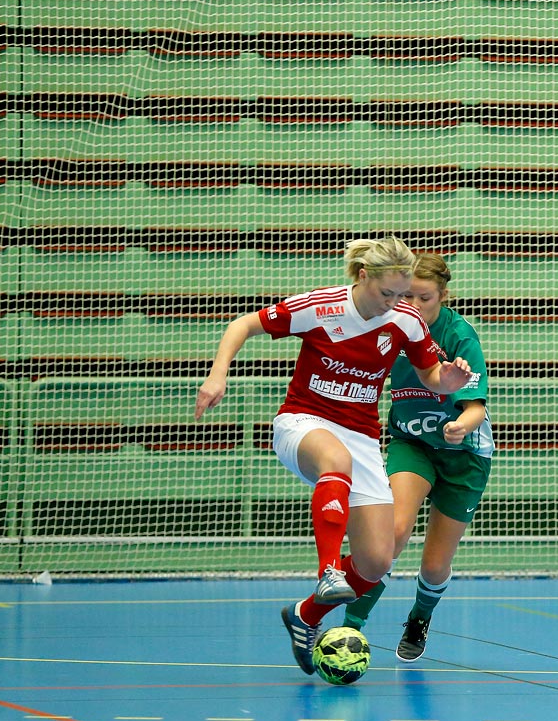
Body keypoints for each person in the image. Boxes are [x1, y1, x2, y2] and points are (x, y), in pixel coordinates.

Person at [194, 237, 473, 676]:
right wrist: (216, 376)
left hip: (361, 435)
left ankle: (304, 615)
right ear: (364, 277)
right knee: (334, 460)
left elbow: (431, 376)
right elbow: (242, 325)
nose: (397, 303)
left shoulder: (406, 321)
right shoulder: (320, 307)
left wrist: (449, 380)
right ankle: (327, 570)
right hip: (303, 423)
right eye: (388, 293)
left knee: (378, 560)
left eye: (404, 295)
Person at [339, 253, 494, 662]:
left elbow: (476, 407)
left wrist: (462, 424)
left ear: (443, 295)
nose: (412, 305)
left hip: (465, 454)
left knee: (436, 563)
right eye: (405, 296)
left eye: (423, 297)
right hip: (413, 443)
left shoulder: (460, 336)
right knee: (392, 534)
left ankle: (419, 618)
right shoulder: (391, 326)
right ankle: (350, 629)